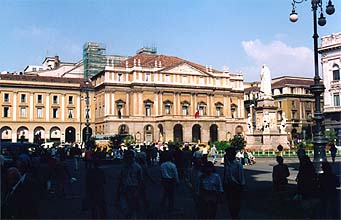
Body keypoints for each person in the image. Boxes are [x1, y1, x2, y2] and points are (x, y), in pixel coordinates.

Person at [115, 150, 143, 219]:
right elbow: (121, 178)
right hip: (125, 187)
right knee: (125, 207)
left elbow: (140, 180)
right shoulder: (124, 166)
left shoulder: (137, 167)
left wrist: (138, 191)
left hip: (133, 188)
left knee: (132, 207)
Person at [223, 147, 245, 219]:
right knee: (229, 203)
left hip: (236, 186)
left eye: (228, 154)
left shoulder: (238, 165)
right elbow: (226, 174)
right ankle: (233, 215)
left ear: (232, 155)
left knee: (236, 203)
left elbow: (241, 177)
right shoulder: (227, 164)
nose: (226, 156)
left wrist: (242, 186)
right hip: (228, 186)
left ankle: (235, 216)